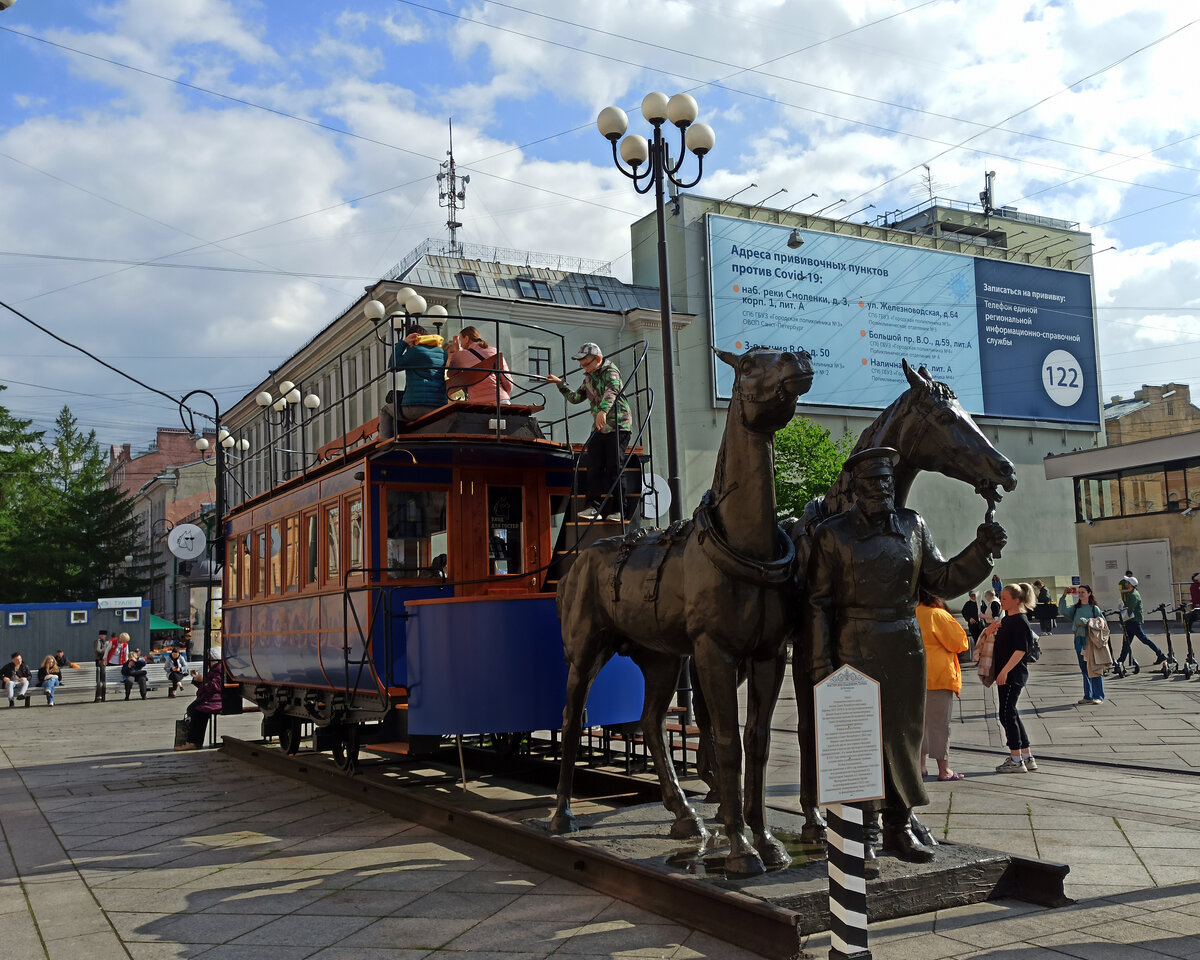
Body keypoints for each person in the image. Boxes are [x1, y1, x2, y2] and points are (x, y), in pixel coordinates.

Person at [806, 447, 1006, 862]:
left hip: (904, 643)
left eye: (885, 481)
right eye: (870, 482)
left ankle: (899, 827)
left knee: (903, 736)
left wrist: (979, 550)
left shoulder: (913, 525)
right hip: (853, 644)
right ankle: (858, 835)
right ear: (856, 489)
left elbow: (941, 579)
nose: (880, 488)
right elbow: (817, 603)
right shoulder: (833, 534)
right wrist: (820, 661)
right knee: (859, 741)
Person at [547, 342, 633, 522]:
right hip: (600, 427)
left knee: (614, 466)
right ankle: (593, 507)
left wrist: (602, 411)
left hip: (618, 424)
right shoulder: (588, 378)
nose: (583, 367)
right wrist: (560, 384)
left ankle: (619, 510)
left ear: (598, 359)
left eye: (586, 363)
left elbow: (613, 391)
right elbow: (576, 398)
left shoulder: (611, 371)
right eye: (581, 364)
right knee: (593, 466)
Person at [979, 583, 1038, 773]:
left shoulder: (1020, 620)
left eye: (1004, 598)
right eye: (1001, 597)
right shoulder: (1008, 619)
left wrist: (1004, 671)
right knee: (1010, 713)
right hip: (1007, 673)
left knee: (1006, 714)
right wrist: (990, 630)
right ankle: (1026, 756)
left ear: (1017, 600)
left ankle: (1016, 759)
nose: (1001, 601)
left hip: (1013, 674)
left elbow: (1021, 650)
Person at [917, 589, 969, 782]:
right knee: (939, 725)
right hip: (938, 676)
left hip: (915, 678)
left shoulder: (910, 613)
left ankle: (920, 767)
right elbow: (959, 643)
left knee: (919, 725)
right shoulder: (937, 614)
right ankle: (944, 770)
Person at [380, 326, 447, 437]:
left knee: (386, 410)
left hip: (416, 407)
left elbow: (392, 365)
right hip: (439, 405)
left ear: (414, 338)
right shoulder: (443, 353)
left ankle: (386, 445)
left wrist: (403, 343)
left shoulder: (415, 351)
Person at [174, 647, 224, 751]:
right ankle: (192, 741)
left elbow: (217, 686)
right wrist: (198, 678)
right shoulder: (216, 668)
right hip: (212, 697)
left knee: (197, 711)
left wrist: (203, 680)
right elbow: (209, 685)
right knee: (193, 709)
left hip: (217, 699)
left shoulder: (219, 668)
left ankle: (194, 742)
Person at [446, 326, 513, 404]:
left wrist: (456, 351)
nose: (461, 345)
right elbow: (507, 380)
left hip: (478, 403)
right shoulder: (494, 351)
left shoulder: (462, 355)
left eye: (461, 341)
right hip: (501, 399)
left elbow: (450, 374)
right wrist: (504, 395)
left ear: (467, 338)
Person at [1069, 584, 1107, 704]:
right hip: (1079, 640)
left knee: (1094, 667)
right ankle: (1088, 696)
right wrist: (1064, 595)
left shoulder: (1094, 608)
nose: (1080, 594)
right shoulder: (1076, 608)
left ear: (1089, 593)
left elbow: (1102, 623)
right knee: (1084, 668)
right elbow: (1063, 610)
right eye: (1079, 592)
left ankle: (1098, 696)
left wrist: (1088, 622)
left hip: (1090, 640)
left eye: (1083, 592)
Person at [1116, 576, 1166, 667]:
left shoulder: (1133, 595)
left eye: (1127, 582)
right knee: (1127, 641)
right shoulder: (1132, 593)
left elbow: (1129, 610)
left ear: (1130, 584)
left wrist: (1122, 616)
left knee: (1141, 639)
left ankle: (1160, 654)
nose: (1125, 583)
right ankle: (1120, 661)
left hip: (1133, 621)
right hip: (1131, 621)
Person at [94, 630, 111, 703]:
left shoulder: (105, 642)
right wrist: (105, 650)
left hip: (103, 660)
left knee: (103, 679)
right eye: (102, 635)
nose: (103, 636)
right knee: (100, 679)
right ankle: (99, 695)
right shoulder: (98, 641)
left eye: (104, 635)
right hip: (99, 660)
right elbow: (98, 650)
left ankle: (102, 695)